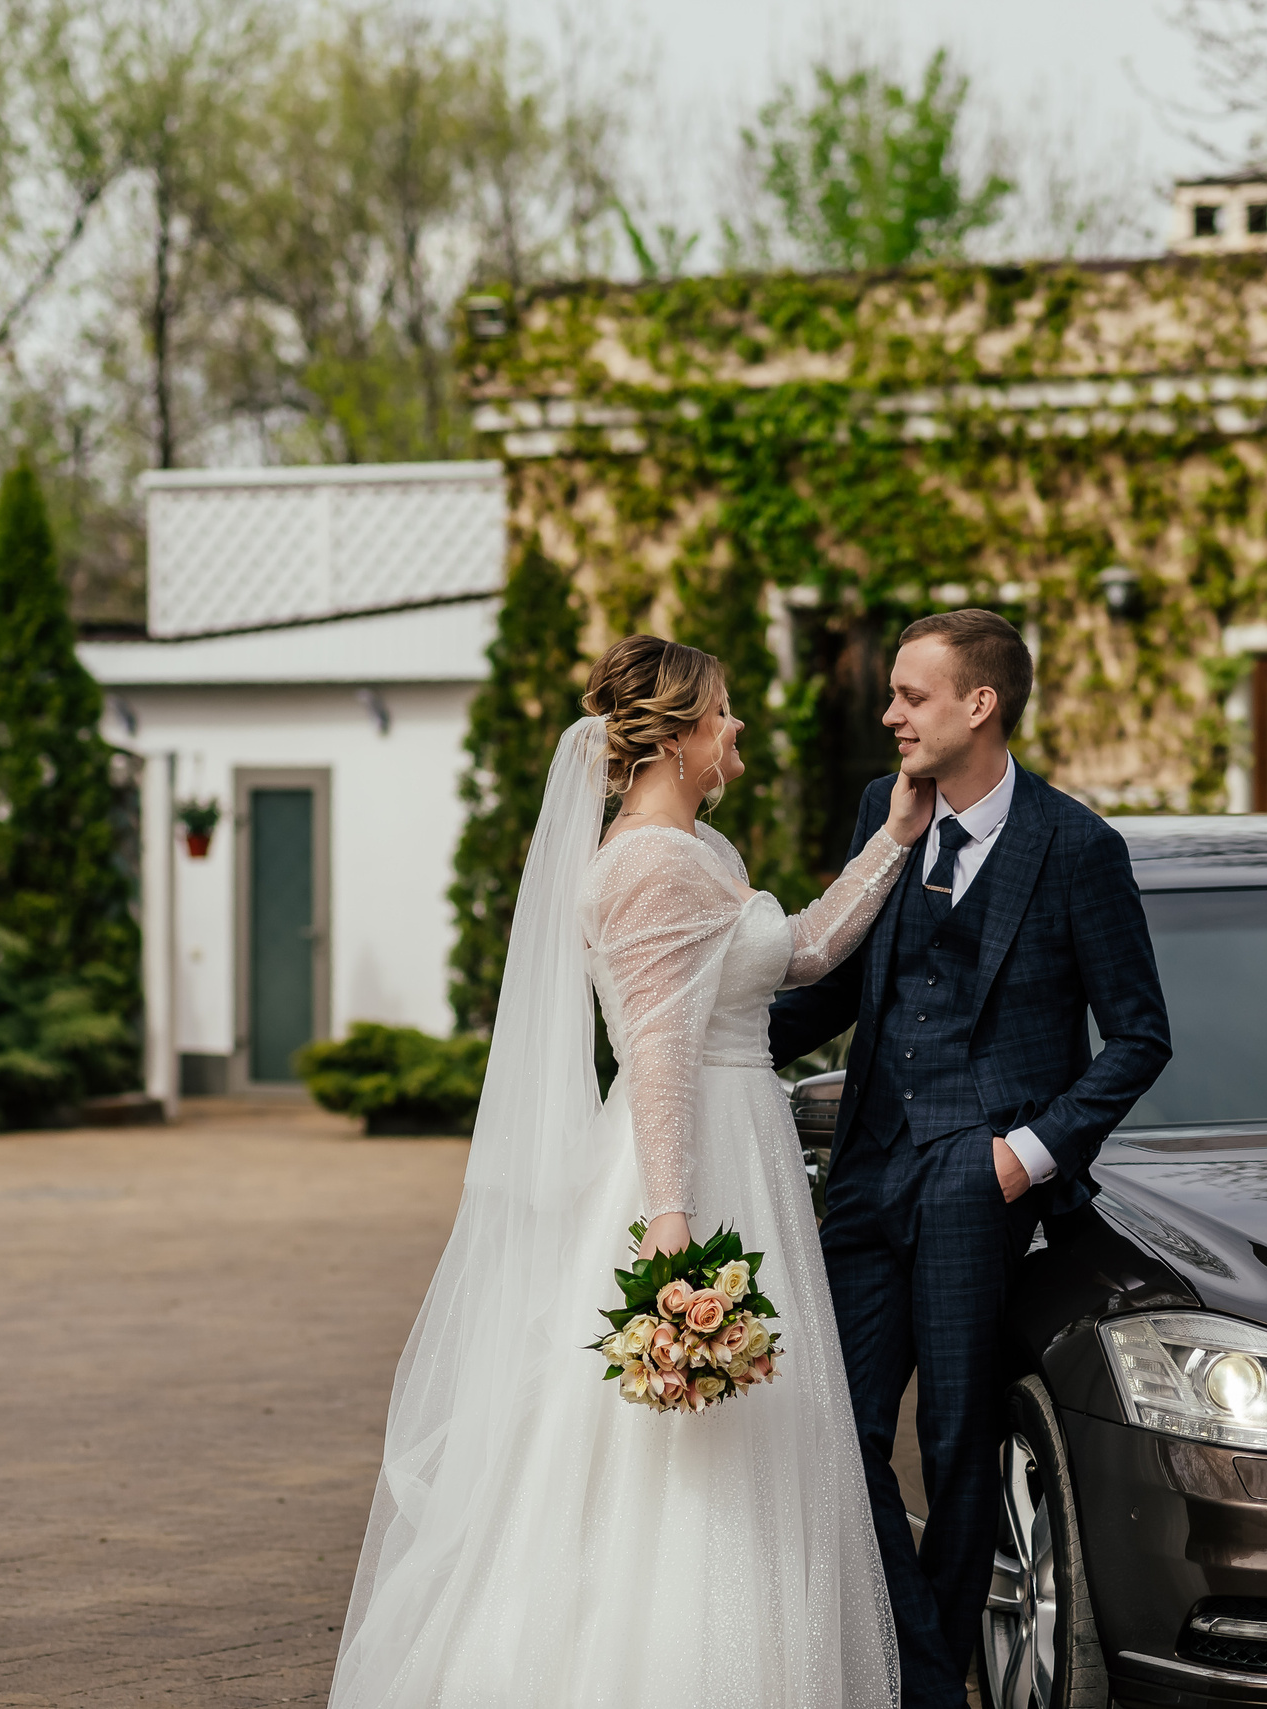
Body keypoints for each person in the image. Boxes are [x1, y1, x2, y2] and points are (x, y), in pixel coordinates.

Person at [328, 635, 933, 1709]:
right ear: (679, 734)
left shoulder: (704, 849)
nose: (739, 726)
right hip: (691, 1158)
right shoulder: (650, 864)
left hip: (740, 1137)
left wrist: (890, 839)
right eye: (726, 710)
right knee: (685, 1452)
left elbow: (793, 955)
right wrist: (669, 1219)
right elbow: (656, 1055)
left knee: (755, 1431)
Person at [769, 609, 1172, 1709]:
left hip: (975, 1179)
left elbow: (1138, 1033)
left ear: (979, 704)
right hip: (865, 1168)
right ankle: (922, 1658)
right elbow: (846, 981)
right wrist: (712, 1040)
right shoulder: (884, 813)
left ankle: (927, 1687)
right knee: (831, 1424)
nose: (889, 714)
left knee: (955, 1444)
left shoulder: (1077, 847)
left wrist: (1026, 1155)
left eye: (910, 695)